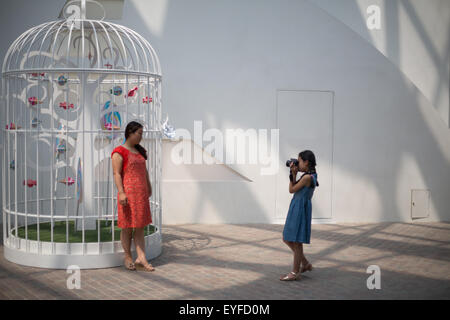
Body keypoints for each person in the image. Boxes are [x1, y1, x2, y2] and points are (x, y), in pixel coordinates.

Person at [111, 121, 155, 272]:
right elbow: (116, 174)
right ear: (130, 132)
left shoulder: (140, 151)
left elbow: (145, 171)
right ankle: (128, 256)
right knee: (127, 227)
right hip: (128, 194)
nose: (141, 137)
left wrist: (149, 186)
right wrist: (121, 192)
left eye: (142, 134)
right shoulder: (119, 152)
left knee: (140, 226)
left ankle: (141, 258)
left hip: (141, 193)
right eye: (139, 134)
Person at [280, 150, 319, 281]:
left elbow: (291, 190)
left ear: (306, 162)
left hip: (299, 208)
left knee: (296, 241)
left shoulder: (307, 177)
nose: (297, 163)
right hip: (299, 206)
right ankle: (306, 264)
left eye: (299, 161)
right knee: (287, 238)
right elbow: (295, 187)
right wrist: (295, 173)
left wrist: (293, 173)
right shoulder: (311, 175)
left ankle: (295, 272)